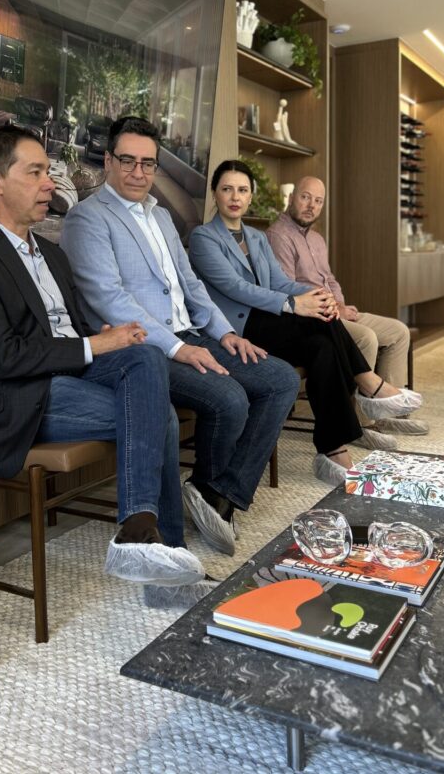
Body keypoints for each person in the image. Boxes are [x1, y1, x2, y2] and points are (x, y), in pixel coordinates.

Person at [0, 126, 206, 594]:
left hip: (68, 377)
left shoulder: (52, 254)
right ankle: (158, 554)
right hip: (12, 398)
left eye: (48, 172)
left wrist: (107, 338)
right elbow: (3, 357)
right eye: (35, 172)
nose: (50, 184)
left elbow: (71, 331)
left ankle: (143, 538)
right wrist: (95, 346)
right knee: (157, 415)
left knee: (144, 358)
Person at [61, 117, 300, 557]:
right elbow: (110, 299)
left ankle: (217, 493)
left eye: (148, 163)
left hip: (191, 333)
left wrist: (224, 333)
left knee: (281, 379)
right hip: (143, 349)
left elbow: (190, 284)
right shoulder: (87, 218)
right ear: (108, 161)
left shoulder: (162, 217)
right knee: (229, 398)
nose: (138, 172)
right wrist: (179, 348)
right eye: (128, 161)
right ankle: (209, 495)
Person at [188, 160, 423, 484]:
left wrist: (316, 295)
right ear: (215, 193)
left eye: (242, 190)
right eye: (227, 189)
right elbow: (235, 288)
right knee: (318, 322)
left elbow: (280, 282)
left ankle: (332, 448)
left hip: (270, 320)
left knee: (322, 346)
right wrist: (293, 304)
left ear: (251, 196)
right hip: (239, 328)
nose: (235, 197)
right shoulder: (203, 237)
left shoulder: (256, 238)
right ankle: (368, 384)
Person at [266, 175, 428, 436]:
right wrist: (334, 308)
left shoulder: (317, 239)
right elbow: (287, 287)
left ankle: (387, 413)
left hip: (335, 309)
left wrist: (340, 304)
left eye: (318, 201)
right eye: (305, 197)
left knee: (398, 332)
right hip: (312, 316)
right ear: (292, 198)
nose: (311, 205)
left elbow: (329, 279)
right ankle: (364, 424)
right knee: (366, 337)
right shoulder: (278, 235)